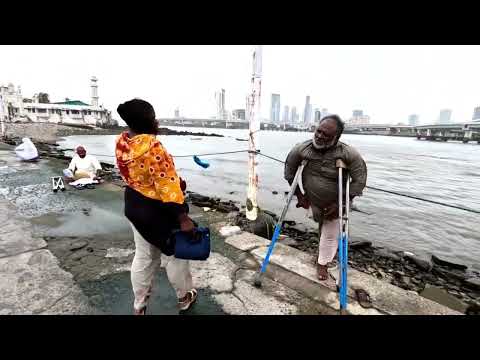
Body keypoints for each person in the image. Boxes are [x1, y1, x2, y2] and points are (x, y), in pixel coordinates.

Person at [115, 98, 197, 315]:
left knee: (143, 257)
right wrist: (183, 219)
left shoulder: (122, 143)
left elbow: (140, 176)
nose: (157, 121)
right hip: (158, 211)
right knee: (175, 255)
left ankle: (139, 306)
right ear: (146, 121)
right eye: (153, 117)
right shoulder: (153, 146)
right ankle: (184, 297)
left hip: (134, 206)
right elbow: (167, 186)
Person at [284, 115, 367, 281]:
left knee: (330, 234)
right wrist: (300, 196)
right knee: (322, 230)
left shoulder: (349, 153)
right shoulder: (302, 148)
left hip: (336, 204)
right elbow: (289, 172)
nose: (320, 136)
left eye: (326, 135)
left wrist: (341, 203)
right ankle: (324, 254)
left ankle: (322, 263)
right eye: (318, 131)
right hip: (312, 201)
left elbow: (360, 181)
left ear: (337, 137)